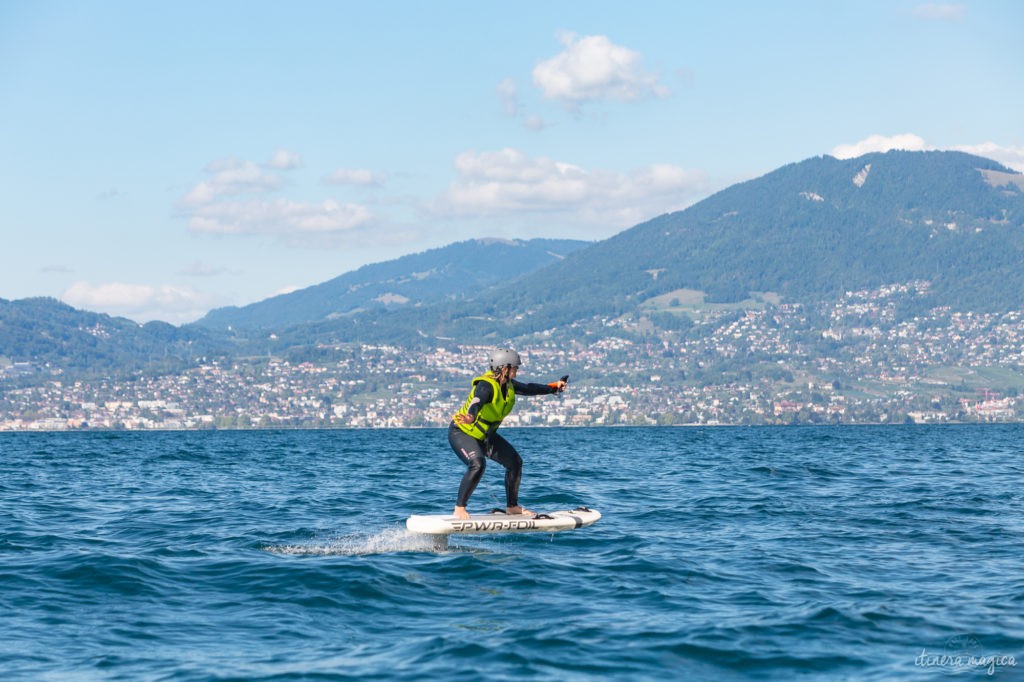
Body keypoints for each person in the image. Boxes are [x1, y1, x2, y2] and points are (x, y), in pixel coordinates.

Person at [448, 348, 567, 520]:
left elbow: (529, 388)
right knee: (477, 464)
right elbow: (477, 401)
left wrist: (554, 387)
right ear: (504, 368)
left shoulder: (508, 385)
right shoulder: (486, 385)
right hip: (462, 432)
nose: (517, 371)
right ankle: (459, 508)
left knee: (515, 462)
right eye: (515, 368)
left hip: (485, 436)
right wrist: (470, 416)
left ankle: (512, 507)